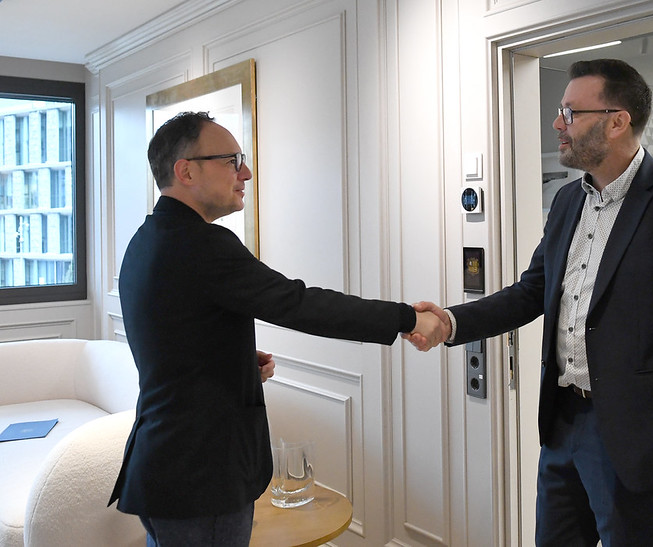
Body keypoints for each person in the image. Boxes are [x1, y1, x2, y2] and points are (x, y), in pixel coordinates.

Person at [407, 59, 653, 545]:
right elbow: (530, 292)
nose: (558, 124)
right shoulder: (566, 201)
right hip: (562, 425)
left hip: (639, 438)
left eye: (570, 112)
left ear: (617, 121)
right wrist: (451, 321)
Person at [108, 111, 447, 547]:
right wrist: (408, 317)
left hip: (165, 467)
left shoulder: (148, 238)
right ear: (185, 170)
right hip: (202, 475)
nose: (245, 172)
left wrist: (234, 361)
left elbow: (167, 337)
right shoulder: (203, 244)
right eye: (231, 161)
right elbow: (299, 304)